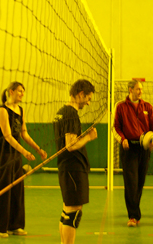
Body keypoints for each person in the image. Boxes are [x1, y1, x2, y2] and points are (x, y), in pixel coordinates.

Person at [0, 82, 47, 238]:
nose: (22, 94)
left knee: (17, 190)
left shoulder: (20, 110)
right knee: (4, 190)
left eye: (23, 92)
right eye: (20, 91)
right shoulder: (2, 110)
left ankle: (15, 225)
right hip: (3, 155)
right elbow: (7, 136)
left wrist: (38, 149)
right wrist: (25, 152)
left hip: (15, 155)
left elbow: (24, 134)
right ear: (11, 91)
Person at [53, 79, 98, 244]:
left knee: (67, 210)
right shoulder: (71, 114)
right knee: (74, 212)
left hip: (66, 167)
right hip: (73, 168)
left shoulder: (61, 112)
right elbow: (70, 145)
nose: (88, 103)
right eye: (88, 98)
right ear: (81, 94)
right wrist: (88, 137)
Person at [112, 79, 153, 227]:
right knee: (131, 183)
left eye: (141, 89)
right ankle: (133, 215)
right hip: (129, 149)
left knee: (139, 183)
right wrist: (122, 139)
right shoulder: (120, 107)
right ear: (130, 90)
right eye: (138, 89)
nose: (141, 92)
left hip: (144, 149)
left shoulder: (147, 107)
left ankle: (135, 212)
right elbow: (116, 127)